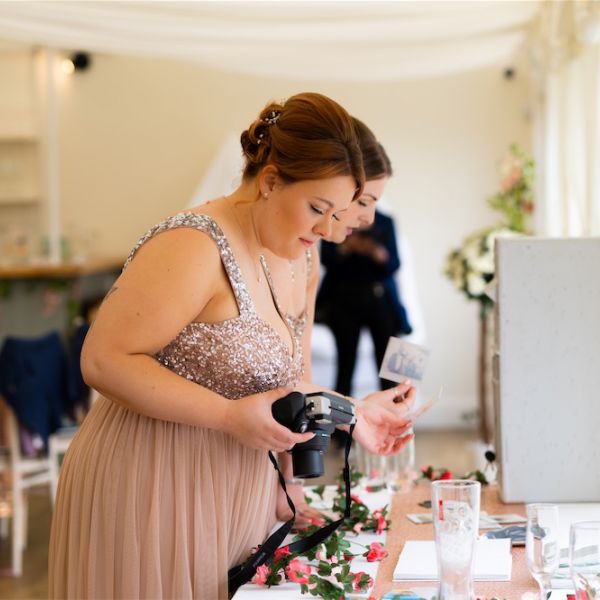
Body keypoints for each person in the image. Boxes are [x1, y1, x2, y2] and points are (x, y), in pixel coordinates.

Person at [48, 93, 414, 599]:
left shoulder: (300, 257)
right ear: (270, 181)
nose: (330, 231)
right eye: (317, 208)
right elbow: (103, 360)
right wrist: (225, 416)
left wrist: (355, 414)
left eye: (338, 213)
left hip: (235, 483)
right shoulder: (193, 244)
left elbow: (285, 382)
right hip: (151, 482)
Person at [316, 119, 413, 398]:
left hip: (379, 298)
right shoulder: (332, 223)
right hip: (344, 299)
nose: (367, 216)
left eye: (371, 202)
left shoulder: (385, 222)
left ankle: (393, 414)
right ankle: (341, 428)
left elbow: (394, 264)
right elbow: (328, 260)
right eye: (362, 202)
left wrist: (376, 253)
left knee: (389, 367)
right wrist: (348, 247)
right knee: (345, 364)